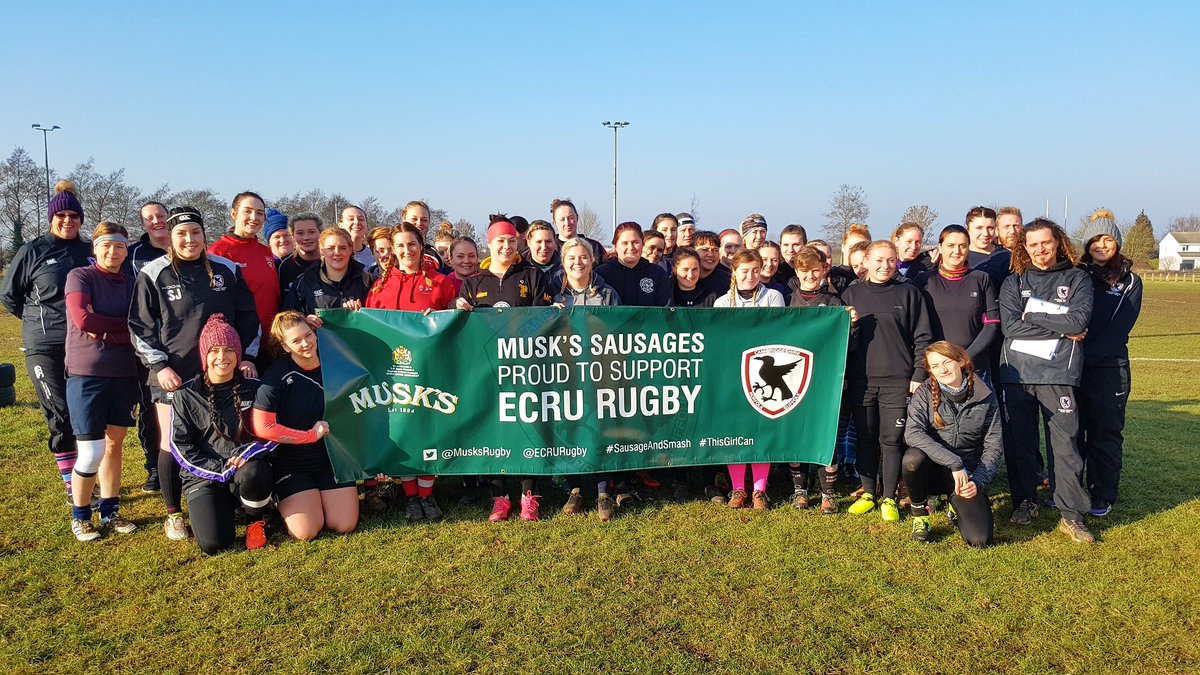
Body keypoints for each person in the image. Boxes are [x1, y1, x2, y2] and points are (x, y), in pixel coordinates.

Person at [129, 206, 261, 541]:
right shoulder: (154, 272)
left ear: (204, 235)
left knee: (225, 431)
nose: (189, 240)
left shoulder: (226, 269)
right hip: (175, 374)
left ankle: (227, 495)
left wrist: (247, 357)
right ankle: (173, 513)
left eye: (196, 233)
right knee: (170, 442)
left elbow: (249, 319)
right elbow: (139, 327)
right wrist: (160, 366)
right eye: (181, 234)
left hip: (222, 371)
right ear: (171, 238)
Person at [998, 218, 1095, 544]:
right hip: (1017, 375)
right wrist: (1060, 324)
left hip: (1059, 374)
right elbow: (1010, 328)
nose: (1040, 250)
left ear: (1058, 242)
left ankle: (1072, 514)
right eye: (1033, 244)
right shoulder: (1014, 282)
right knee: (1021, 445)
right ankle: (1026, 501)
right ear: (1024, 248)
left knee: (1065, 446)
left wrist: (1032, 315)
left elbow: (1079, 320)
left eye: (1046, 243)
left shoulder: (1078, 278)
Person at [457, 217, 554, 522]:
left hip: (527, 366)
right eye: (500, 241)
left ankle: (529, 496)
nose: (506, 246)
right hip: (490, 369)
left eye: (511, 241)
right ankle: (499, 497)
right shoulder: (473, 282)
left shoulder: (533, 276)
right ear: (489, 243)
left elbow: (545, 318)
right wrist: (459, 308)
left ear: (518, 243)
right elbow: (464, 330)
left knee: (528, 426)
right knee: (494, 429)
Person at [1, 180, 93, 500]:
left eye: (74, 215)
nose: (67, 220)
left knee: (84, 414)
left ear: (81, 219)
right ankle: (72, 482)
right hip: (44, 348)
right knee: (61, 414)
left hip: (84, 346)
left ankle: (86, 476)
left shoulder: (90, 251)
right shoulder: (33, 251)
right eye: (61, 215)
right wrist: (37, 324)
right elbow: (10, 297)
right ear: (51, 218)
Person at [841, 240, 933, 524]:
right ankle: (869, 493)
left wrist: (918, 374)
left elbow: (922, 338)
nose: (885, 266)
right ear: (865, 262)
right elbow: (843, 343)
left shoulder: (909, 293)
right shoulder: (850, 294)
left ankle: (889, 497)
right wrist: (852, 326)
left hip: (898, 380)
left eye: (891, 260)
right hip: (862, 380)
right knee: (866, 438)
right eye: (879, 260)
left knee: (892, 440)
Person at [170, 315, 275, 555]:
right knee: (214, 544)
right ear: (204, 355)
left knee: (256, 471)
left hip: (245, 469)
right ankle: (229, 506)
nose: (221, 357)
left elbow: (273, 433)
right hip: (204, 475)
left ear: (238, 354)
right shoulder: (185, 395)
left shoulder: (256, 388)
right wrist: (220, 468)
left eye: (229, 350)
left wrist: (248, 453)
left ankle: (254, 519)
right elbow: (180, 446)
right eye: (214, 350)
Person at [251, 311, 359, 540]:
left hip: (332, 460)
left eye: (308, 335)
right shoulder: (276, 376)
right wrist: (310, 435)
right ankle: (281, 502)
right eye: (296, 341)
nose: (305, 343)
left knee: (344, 524)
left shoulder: (334, 363)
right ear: (284, 345)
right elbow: (263, 427)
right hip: (293, 464)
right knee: (306, 531)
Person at [65, 221, 140, 541]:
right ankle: (80, 516)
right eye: (106, 245)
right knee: (91, 452)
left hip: (124, 373)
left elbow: (141, 324)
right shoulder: (80, 276)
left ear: (127, 249)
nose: (113, 251)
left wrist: (109, 330)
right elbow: (83, 320)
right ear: (95, 248)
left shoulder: (133, 281)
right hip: (87, 375)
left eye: (120, 246)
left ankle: (110, 510)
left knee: (114, 447)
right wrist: (125, 331)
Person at [902, 341, 1002, 547]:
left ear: (961, 361)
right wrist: (954, 462)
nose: (942, 369)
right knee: (912, 459)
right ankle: (920, 515)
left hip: (966, 476)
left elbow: (993, 446)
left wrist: (978, 481)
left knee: (979, 540)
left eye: (946, 362)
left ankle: (954, 505)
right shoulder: (924, 392)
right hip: (933, 469)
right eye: (935, 366)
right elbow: (912, 433)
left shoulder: (987, 396)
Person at [1077, 223, 1142, 517]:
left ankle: (1102, 493)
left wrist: (1086, 356)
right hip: (1071, 367)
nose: (1101, 245)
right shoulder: (1076, 274)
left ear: (1117, 242)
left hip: (1108, 368)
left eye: (1108, 239)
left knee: (1104, 433)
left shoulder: (1130, 281)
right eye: (1095, 239)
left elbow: (1120, 329)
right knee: (1072, 432)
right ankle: (1071, 489)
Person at [554, 237, 622, 521]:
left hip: (600, 370)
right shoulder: (553, 293)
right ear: (563, 261)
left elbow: (620, 329)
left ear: (593, 260)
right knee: (571, 424)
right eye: (571, 258)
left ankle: (603, 490)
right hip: (564, 371)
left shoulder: (607, 294)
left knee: (601, 424)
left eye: (583, 257)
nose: (577, 263)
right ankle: (574, 488)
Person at [713, 249, 784, 510]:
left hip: (761, 371)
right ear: (734, 272)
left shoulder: (773, 296)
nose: (751, 276)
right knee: (736, 430)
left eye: (756, 270)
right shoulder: (722, 303)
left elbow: (774, 331)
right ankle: (738, 488)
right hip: (732, 372)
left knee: (760, 428)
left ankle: (759, 490)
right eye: (744, 271)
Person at [788, 247, 857, 514]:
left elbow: (848, 346)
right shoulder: (787, 301)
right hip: (794, 381)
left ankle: (828, 493)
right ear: (797, 271)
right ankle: (800, 491)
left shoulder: (835, 303)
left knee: (825, 436)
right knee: (797, 435)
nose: (810, 275)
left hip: (825, 382)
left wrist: (852, 326)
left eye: (816, 270)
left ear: (824, 270)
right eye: (805, 270)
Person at [912, 225, 1000, 379]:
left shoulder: (981, 279)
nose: (957, 251)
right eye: (950, 246)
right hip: (937, 369)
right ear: (940, 247)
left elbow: (991, 324)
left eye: (962, 246)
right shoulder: (924, 281)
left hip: (975, 367)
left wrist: (965, 358)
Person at [128, 201, 172, 493]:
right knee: (149, 408)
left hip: (183, 343)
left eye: (160, 215)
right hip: (147, 348)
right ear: (143, 224)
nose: (156, 221)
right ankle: (154, 467)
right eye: (149, 218)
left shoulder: (189, 245)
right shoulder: (134, 255)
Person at [208, 191, 281, 345]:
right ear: (234, 214)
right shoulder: (217, 253)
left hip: (272, 340)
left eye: (259, 213)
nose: (254, 217)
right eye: (247, 211)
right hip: (241, 344)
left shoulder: (266, 252)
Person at [284, 228, 375, 329]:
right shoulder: (304, 282)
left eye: (343, 248)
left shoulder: (368, 281)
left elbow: (380, 319)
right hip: (317, 344)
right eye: (330, 248)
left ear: (351, 250)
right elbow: (287, 320)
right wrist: (305, 321)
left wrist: (363, 312)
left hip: (360, 343)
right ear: (322, 251)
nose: (337, 252)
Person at [595, 222, 672, 307]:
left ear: (642, 244)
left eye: (635, 242)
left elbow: (665, 310)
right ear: (615, 246)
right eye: (625, 243)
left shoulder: (657, 273)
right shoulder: (602, 274)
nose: (631, 248)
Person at [276, 212, 323, 298]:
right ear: (293, 236)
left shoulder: (330, 263)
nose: (306, 237)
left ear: (321, 233)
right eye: (300, 233)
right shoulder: (284, 266)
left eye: (311, 232)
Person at [965, 206, 1012, 289]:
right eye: (979, 228)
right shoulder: (958, 257)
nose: (985, 233)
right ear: (967, 228)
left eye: (990, 228)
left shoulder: (1007, 258)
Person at [550, 198, 606, 263]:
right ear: (554, 222)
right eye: (562, 219)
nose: (567, 223)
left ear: (577, 218)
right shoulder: (550, 249)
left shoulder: (594, 247)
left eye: (570, 218)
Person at [401, 200, 446, 269]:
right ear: (404, 220)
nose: (419, 223)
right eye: (414, 219)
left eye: (424, 220)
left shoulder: (434, 254)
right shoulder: (394, 251)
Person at [830, 225, 870, 294]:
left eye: (863, 248)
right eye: (851, 248)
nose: (856, 251)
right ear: (843, 247)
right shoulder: (833, 275)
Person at [524, 220, 563, 287]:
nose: (544, 247)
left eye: (548, 241)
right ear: (529, 243)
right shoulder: (519, 269)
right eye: (538, 242)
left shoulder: (566, 269)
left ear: (554, 242)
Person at [692, 231, 732, 297]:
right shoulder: (683, 279)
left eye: (715, 250)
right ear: (692, 251)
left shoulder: (727, 281)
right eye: (704, 249)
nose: (710, 254)